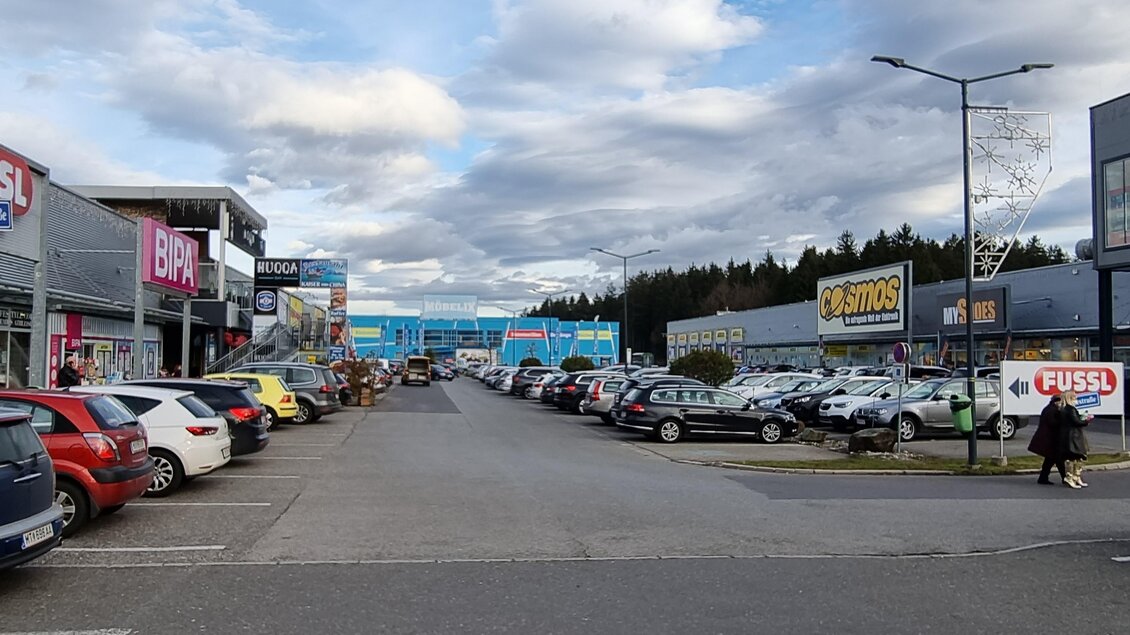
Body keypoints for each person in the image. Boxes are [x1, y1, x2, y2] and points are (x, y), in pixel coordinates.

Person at [1028, 395, 1065, 485]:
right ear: (1057, 402)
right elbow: (1053, 423)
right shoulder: (1052, 411)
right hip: (1050, 440)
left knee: (1050, 460)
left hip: (1048, 439)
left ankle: (1044, 477)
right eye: (1061, 402)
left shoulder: (1048, 409)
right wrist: (1062, 419)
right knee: (1057, 459)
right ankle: (1064, 478)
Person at [1059, 390, 1092, 489]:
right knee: (1075, 456)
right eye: (1075, 398)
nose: (1076, 400)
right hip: (1074, 436)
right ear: (1070, 399)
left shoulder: (1063, 409)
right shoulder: (1071, 409)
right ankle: (1071, 477)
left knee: (1075, 457)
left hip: (1067, 435)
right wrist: (1086, 420)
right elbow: (1076, 422)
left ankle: (1075, 476)